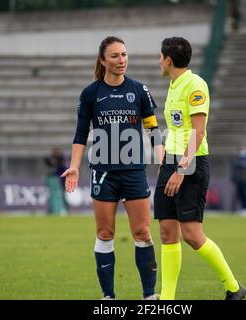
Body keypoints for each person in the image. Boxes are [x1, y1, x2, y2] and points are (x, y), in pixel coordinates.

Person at [61, 36, 161, 300]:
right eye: (115, 56)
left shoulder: (140, 90)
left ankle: (149, 296)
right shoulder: (90, 93)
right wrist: (74, 167)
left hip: (134, 171)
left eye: (125, 55)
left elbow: (152, 128)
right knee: (105, 233)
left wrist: (163, 158)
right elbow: (81, 134)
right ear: (103, 60)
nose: (121, 60)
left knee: (142, 232)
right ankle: (108, 297)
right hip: (103, 172)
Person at [154, 37, 246, 300]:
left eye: (160, 57)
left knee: (192, 235)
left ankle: (234, 287)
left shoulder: (196, 85)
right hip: (170, 161)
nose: (158, 61)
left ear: (168, 60)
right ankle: (167, 299)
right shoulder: (174, 84)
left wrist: (181, 169)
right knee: (167, 231)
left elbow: (198, 132)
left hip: (190, 164)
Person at [230, 146, 246, 215]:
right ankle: (236, 209)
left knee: (245, 196)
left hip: (245, 181)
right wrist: (233, 179)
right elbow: (233, 171)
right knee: (237, 196)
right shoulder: (236, 160)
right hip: (238, 181)